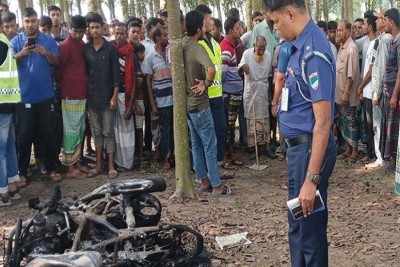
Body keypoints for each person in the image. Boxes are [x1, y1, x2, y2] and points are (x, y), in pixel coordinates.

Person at [269, 0, 337, 266]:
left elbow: (323, 121)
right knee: (298, 226)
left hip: (310, 151)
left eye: (276, 21)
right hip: (300, 150)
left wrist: (311, 178)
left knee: (309, 231)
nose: (275, 28)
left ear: (290, 13)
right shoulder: (297, 46)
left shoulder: (314, 52)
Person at [183, 10, 232, 196]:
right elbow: (211, 69)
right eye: (204, 25)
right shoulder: (197, 47)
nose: (206, 27)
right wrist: (205, 83)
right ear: (198, 29)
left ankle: (203, 181)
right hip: (200, 104)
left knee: (196, 144)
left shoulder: (181, 44)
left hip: (188, 105)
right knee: (209, 145)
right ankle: (217, 186)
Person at [12, 7, 62, 185]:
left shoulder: (48, 40)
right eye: (27, 21)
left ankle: (52, 168)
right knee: (24, 136)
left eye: (33, 21)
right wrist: (21, 54)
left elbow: (58, 63)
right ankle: (22, 171)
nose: (30, 25)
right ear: (22, 23)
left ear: (37, 22)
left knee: (48, 134)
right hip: (23, 98)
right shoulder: (16, 41)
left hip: (45, 96)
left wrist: (46, 52)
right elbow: (8, 64)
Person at [195, 4, 234, 179]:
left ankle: (218, 165)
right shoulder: (197, 43)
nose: (213, 22)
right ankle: (207, 171)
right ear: (202, 20)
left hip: (218, 94)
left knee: (220, 130)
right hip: (204, 97)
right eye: (210, 18)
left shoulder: (214, 42)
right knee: (206, 136)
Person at [84, 12, 119, 179]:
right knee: (96, 133)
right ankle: (98, 164)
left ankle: (111, 165)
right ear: (89, 30)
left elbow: (116, 77)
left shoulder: (110, 48)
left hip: (107, 99)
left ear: (103, 28)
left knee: (108, 132)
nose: (95, 30)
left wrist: (114, 97)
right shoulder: (86, 49)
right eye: (92, 28)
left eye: (97, 27)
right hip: (92, 98)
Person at [56, 15, 89, 179]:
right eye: (75, 31)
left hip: (82, 92)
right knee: (71, 131)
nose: (78, 34)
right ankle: (70, 168)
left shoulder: (81, 44)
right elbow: (59, 71)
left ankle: (77, 163)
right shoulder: (66, 46)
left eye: (81, 32)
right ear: (70, 29)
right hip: (70, 93)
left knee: (80, 129)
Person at [143, 25, 174, 169]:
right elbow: (148, 81)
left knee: (174, 129)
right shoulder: (150, 57)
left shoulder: (170, 53)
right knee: (165, 129)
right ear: (157, 38)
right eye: (164, 35)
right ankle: (165, 157)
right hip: (161, 100)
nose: (167, 38)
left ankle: (174, 155)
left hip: (174, 99)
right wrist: (153, 104)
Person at [239, 35, 275, 158]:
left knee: (265, 119)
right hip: (251, 88)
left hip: (263, 90)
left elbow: (270, 76)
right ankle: (253, 148)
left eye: (262, 49)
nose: (260, 51)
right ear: (254, 46)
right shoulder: (247, 54)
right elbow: (240, 67)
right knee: (252, 119)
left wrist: (270, 93)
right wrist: (244, 67)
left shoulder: (269, 55)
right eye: (258, 49)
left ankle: (266, 146)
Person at [0, 14, 22, 206]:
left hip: (1, 102)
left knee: (1, 150)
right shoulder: (6, 43)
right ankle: (13, 187)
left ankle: (2, 193)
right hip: (8, 100)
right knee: (8, 147)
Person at [368, 10, 392, 168]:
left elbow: (382, 66)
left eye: (378, 19)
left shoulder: (385, 40)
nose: (376, 22)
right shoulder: (383, 39)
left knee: (378, 124)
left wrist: (376, 92)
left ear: (385, 21)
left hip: (380, 89)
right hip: (381, 87)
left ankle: (381, 157)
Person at [111, 22, 136, 171]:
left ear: (126, 35)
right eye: (116, 33)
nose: (119, 36)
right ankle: (116, 162)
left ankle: (127, 163)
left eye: (121, 33)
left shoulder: (130, 54)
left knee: (127, 131)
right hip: (114, 95)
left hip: (126, 96)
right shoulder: (111, 51)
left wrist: (131, 104)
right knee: (115, 131)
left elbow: (133, 81)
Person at [335, 20, 361, 163]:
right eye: (338, 30)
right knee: (343, 123)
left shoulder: (351, 48)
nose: (338, 33)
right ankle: (348, 149)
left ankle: (355, 151)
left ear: (348, 31)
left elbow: (351, 75)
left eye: (340, 30)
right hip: (338, 94)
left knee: (351, 123)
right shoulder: (342, 47)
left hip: (347, 95)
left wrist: (346, 93)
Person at [221, 17, 245, 167]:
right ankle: (225, 157)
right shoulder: (226, 47)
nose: (240, 30)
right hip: (229, 93)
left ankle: (230, 154)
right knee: (227, 126)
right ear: (230, 30)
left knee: (230, 125)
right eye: (237, 28)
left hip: (234, 91)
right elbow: (222, 74)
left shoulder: (233, 45)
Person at [357, 11, 379, 163]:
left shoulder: (376, 43)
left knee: (372, 125)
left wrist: (361, 86)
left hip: (371, 91)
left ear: (370, 26)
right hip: (366, 91)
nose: (363, 26)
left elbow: (371, 70)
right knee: (367, 123)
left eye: (364, 24)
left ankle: (374, 154)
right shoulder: (367, 43)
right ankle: (370, 152)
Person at [380, 8, 400, 171]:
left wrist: (394, 95)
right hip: (389, 91)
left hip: (395, 92)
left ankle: (395, 162)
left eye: (385, 20)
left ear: (392, 22)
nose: (384, 23)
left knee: (395, 128)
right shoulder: (394, 41)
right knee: (390, 127)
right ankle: (393, 160)